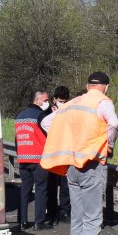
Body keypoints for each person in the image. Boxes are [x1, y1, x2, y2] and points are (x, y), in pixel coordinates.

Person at [41, 72, 118, 235]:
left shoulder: (73, 103)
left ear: (87, 86)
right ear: (106, 87)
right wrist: (108, 145)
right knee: (92, 218)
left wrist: (68, 141)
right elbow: (113, 124)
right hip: (91, 165)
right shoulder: (103, 102)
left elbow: (46, 122)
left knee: (77, 218)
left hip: (72, 166)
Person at [14, 88, 52, 229]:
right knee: (41, 190)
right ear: (38, 100)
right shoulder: (40, 115)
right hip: (39, 158)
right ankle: (39, 222)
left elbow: (16, 138)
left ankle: (22, 221)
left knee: (24, 191)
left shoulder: (20, 116)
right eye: (46, 100)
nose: (47, 102)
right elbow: (49, 134)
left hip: (23, 158)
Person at [43, 85, 73, 224]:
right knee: (52, 185)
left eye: (65, 101)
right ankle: (51, 213)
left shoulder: (70, 111)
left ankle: (64, 212)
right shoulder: (47, 112)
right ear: (54, 99)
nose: (63, 103)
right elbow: (43, 125)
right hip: (52, 153)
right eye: (61, 101)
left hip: (65, 152)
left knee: (65, 184)